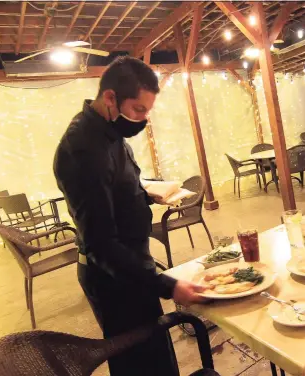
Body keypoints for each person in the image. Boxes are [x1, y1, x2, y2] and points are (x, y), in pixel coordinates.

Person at [53, 56, 204, 376]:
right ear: (110, 98)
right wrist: (168, 285)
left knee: (158, 353)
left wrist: (141, 191)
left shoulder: (108, 131)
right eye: (138, 110)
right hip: (113, 277)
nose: (143, 119)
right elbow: (100, 243)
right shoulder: (82, 148)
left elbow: (113, 185)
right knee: (139, 363)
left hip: (133, 267)